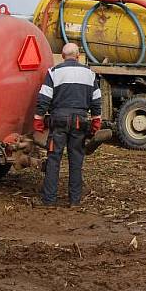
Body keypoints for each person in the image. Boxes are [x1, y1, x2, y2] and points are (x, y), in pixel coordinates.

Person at [34, 42, 102, 207]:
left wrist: (38, 120)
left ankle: (49, 200)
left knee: (53, 160)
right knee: (76, 161)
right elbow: (96, 101)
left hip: (58, 121)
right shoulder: (90, 74)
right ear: (78, 56)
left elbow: (44, 98)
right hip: (79, 122)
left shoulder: (54, 72)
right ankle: (74, 201)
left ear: (63, 57)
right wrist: (95, 122)